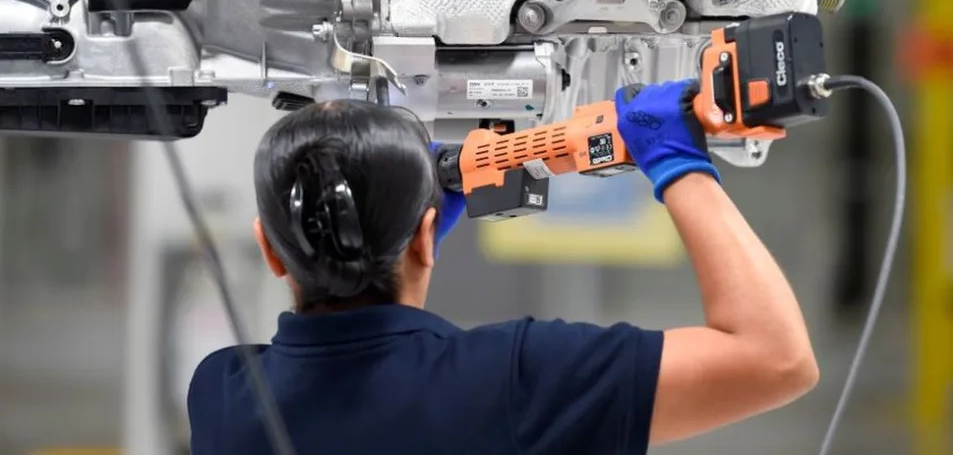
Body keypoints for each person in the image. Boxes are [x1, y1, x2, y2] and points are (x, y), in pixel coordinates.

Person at [187, 80, 819, 454]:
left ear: (269, 250)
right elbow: (777, 359)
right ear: (429, 236)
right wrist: (678, 163)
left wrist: (409, 244)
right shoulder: (517, 379)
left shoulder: (220, 394)